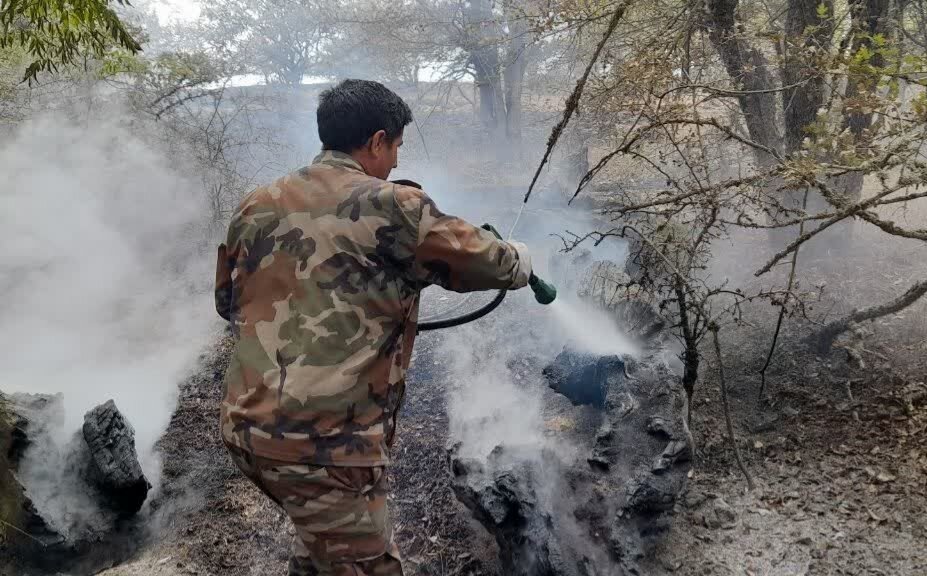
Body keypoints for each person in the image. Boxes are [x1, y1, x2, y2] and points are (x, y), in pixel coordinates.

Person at [214, 79, 532, 576]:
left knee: (323, 549)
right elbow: (486, 264)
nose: (398, 163)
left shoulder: (255, 203)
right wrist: (520, 261)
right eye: (397, 146)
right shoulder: (392, 206)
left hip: (247, 431)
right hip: (324, 445)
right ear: (377, 141)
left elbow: (226, 303)